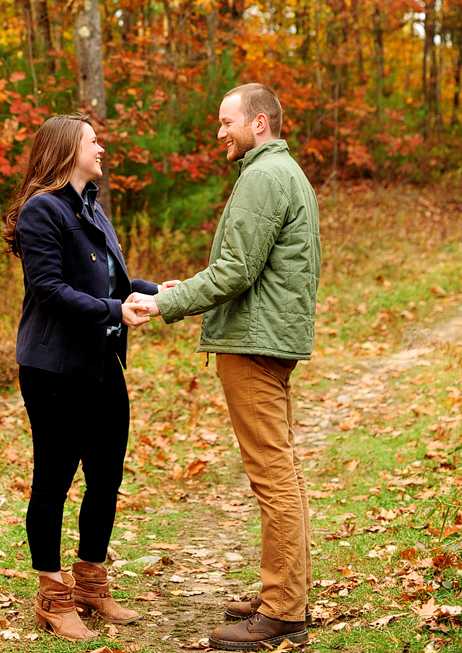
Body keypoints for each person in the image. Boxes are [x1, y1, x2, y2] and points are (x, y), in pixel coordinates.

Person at [129, 84, 320, 652]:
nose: (219, 133)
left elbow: (235, 270)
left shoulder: (262, 178)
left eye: (226, 122)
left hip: (254, 342)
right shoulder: (284, 172)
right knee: (280, 468)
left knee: (272, 475)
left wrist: (167, 303)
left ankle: (284, 612)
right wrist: (182, 288)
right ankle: (282, 591)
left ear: (259, 123)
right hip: (267, 337)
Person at [4, 113, 174, 640]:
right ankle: (53, 597)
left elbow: (115, 283)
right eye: (93, 142)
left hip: (101, 364)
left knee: (106, 475)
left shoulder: (92, 208)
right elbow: (50, 290)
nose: (101, 148)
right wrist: (113, 312)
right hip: (53, 368)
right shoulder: (42, 211)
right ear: (65, 150)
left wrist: (166, 292)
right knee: (54, 479)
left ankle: (91, 585)